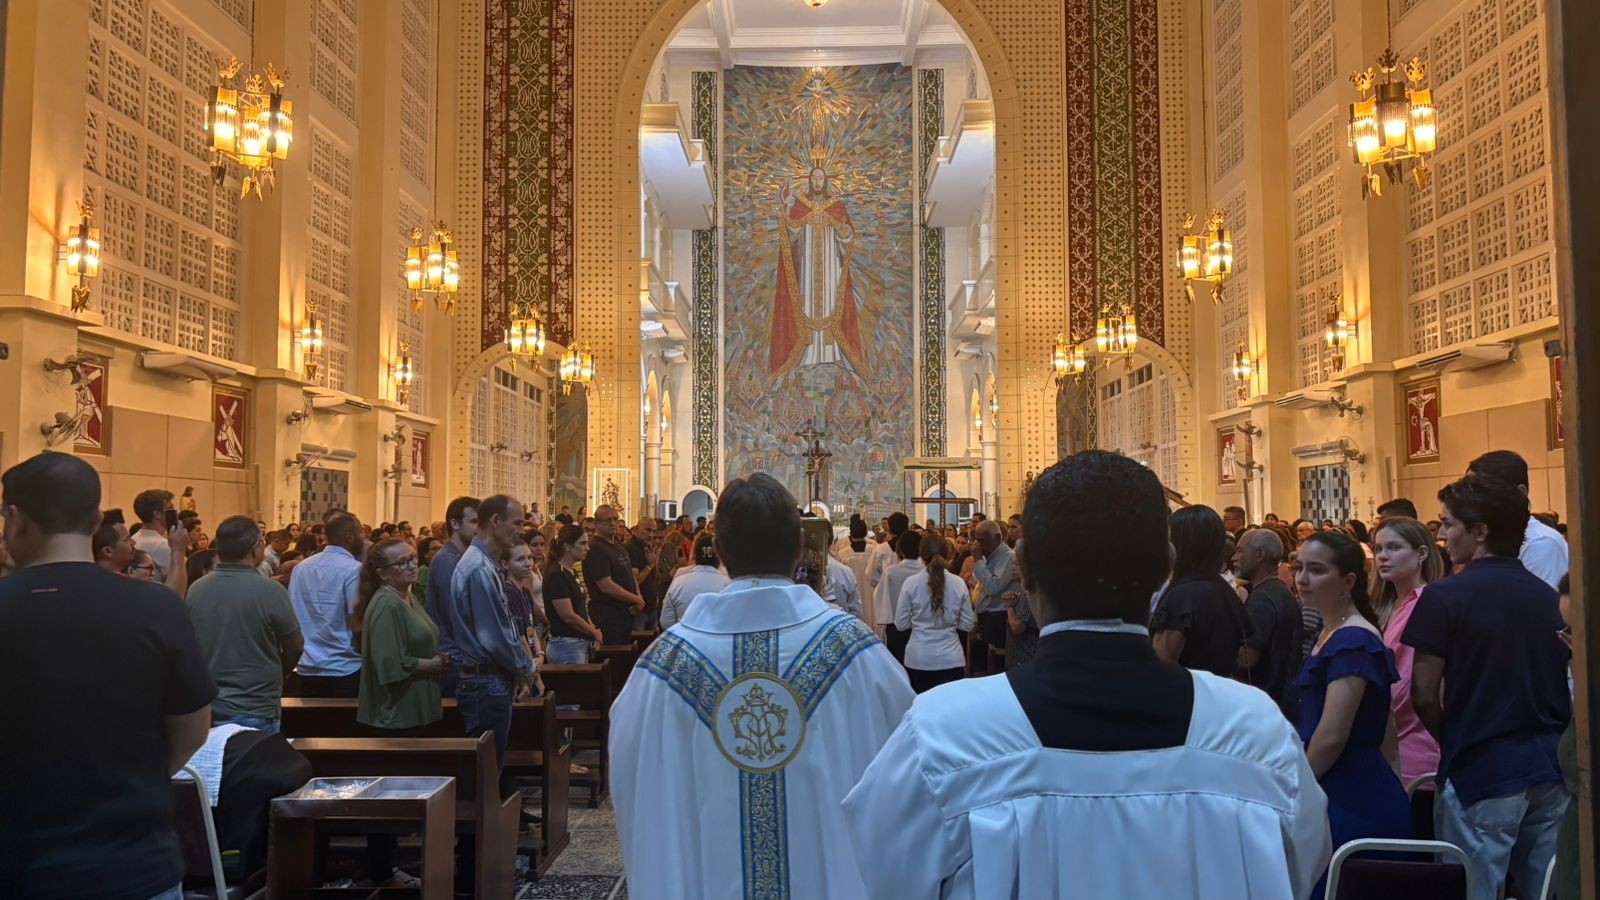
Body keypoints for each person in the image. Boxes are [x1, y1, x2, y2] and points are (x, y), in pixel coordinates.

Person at [842, 452, 1329, 899]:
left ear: (1023, 568)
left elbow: (881, 873)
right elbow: (1302, 864)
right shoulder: (1254, 734)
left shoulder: (945, 734)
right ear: (1166, 567)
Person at [611, 473, 914, 899]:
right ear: (799, 550)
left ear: (718, 552)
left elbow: (635, 786)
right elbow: (905, 786)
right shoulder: (859, 656)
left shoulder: (663, 668)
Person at [0, 452, 216, 900]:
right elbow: (193, 727)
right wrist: (132, 776)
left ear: (14, 517)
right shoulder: (156, 606)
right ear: (97, 517)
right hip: (132, 861)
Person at [1403, 473, 1570, 900]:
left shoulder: (1444, 597)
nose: (1442, 535)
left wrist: (1455, 738)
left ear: (1480, 532)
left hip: (1483, 767)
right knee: (1543, 889)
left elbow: (1422, 693)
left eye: (1448, 524)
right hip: (1548, 767)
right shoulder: (1545, 595)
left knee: (1472, 889)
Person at [1293, 531, 1411, 892]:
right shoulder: (1333, 632)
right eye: (1298, 567)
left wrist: (1295, 791)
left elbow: (1332, 735)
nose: (1302, 578)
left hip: (1351, 794)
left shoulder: (1353, 640)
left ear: (1347, 581)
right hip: (1338, 783)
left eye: (1316, 570)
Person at [187, 516, 303, 733]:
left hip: (208, 705)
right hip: (256, 705)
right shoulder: (270, 590)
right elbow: (295, 645)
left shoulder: (196, 589)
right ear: (256, 548)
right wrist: (283, 672)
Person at [447, 494, 536, 770]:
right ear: (496, 521)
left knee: (490, 768)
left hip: (491, 679)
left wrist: (518, 670)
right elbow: (492, 636)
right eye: (517, 523)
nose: (522, 530)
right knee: (485, 773)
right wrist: (525, 667)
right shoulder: (478, 569)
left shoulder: (485, 563)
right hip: (485, 683)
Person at [1371, 516, 1447, 786]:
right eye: (1378, 549)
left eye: (1393, 548)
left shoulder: (1426, 602)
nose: (1382, 556)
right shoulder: (1385, 606)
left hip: (1416, 749)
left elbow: (1404, 684)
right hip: (1388, 745)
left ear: (1421, 554)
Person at [357, 538, 448, 731]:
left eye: (413, 558)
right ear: (382, 573)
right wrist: (432, 664)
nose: (412, 566)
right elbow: (389, 664)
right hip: (399, 711)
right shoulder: (387, 605)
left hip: (419, 705)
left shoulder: (407, 596)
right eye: (402, 563)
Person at [1150, 506, 1251, 677]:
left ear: (1181, 545)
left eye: (1168, 540)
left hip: (1190, 695)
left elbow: (1162, 662)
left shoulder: (1183, 595)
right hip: (1219, 690)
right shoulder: (1222, 587)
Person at [287, 513, 365, 698]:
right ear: (349, 536)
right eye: (361, 533)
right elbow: (357, 622)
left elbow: (291, 614)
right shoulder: (353, 569)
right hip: (345, 667)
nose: (364, 538)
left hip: (307, 665)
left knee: (312, 725)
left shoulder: (301, 568)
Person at [1466, 450, 1569, 588]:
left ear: (1520, 493)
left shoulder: (1540, 543)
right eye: (1468, 492)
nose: (1470, 501)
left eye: (1482, 492)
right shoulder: (1487, 540)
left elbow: (1537, 606)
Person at [1234, 528, 1302, 719]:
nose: (1234, 557)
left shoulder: (1262, 597)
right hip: (1284, 698)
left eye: (1240, 551)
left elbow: (1247, 658)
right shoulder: (1280, 591)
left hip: (1270, 701)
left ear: (1259, 555)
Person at [895, 533, 975, 693]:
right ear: (949, 554)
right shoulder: (958, 583)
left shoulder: (911, 583)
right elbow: (968, 625)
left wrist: (919, 622)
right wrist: (950, 622)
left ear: (921, 555)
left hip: (919, 657)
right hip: (952, 659)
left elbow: (900, 624)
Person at [427, 497, 479, 697]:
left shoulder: (463, 558)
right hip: (456, 658)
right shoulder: (447, 561)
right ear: (455, 524)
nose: (479, 528)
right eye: (474, 521)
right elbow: (456, 614)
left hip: (464, 655)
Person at [583, 505, 646, 645]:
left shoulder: (619, 546)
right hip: (608, 616)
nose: (613, 523)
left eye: (615, 519)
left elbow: (630, 576)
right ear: (597, 524)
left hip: (625, 613)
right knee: (615, 658)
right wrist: (636, 599)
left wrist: (638, 597)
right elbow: (606, 586)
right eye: (607, 520)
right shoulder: (595, 548)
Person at [543, 525, 605, 662]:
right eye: (583, 543)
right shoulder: (556, 574)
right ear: (567, 546)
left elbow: (581, 608)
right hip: (566, 645)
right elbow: (568, 615)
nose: (587, 548)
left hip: (578, 642)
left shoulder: (571, 571)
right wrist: (594, 632)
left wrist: (592, 630)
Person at [969, 518, 1018, 654]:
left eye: (982, 540)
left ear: (997, 538)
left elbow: (992, 587)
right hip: (986, 618)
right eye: (976, 540)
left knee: (995, 666)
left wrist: (978, 561)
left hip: (998, 619)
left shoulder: (1008, 556)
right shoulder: (989, 556)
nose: (978, 545)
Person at [660, 534, 729, 628]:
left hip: (685, 639)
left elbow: (666, 621)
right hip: (719, 640)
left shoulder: (678, 582)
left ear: (695, 557)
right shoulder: (729, 583)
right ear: (719, 557)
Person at [131, 487, 190, 596]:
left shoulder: (133, 539)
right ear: (157, 514)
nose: (175, 513)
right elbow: (180, 583)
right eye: (171, 509)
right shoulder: (163, 545)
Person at [880, 531, 924, 664]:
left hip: (895, 626)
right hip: (921, 625)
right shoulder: (925, 570)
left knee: (898, 664)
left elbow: (882, 597)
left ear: (900, 550)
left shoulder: (891, 571)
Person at [866, 512, 909, 636]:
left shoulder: (882, 549)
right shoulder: (915, 546)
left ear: (889, 527)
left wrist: (881, 585)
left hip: (889, 597)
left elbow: (871, 574)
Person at [627, 515, 661, 632]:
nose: (651, 535)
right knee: (640, 646)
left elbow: (653, 576)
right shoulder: (631, 548)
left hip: (651, 607)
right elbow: (635, 580)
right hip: (639, 610)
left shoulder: (647, 546)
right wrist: (650, 565)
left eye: (653, 531)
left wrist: (656, 594)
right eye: (647, 530)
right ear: (637, 529)